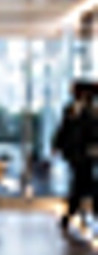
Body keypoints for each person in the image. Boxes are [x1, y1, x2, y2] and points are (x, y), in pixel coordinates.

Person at [52, 81, 97, 230]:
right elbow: (64, 128)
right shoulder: (71, 108)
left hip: (88, 153)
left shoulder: (93, 109)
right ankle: (72, 214)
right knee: (82, 183)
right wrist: (56, 145)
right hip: (75, 153)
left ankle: (69, 215)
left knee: (81, 184)